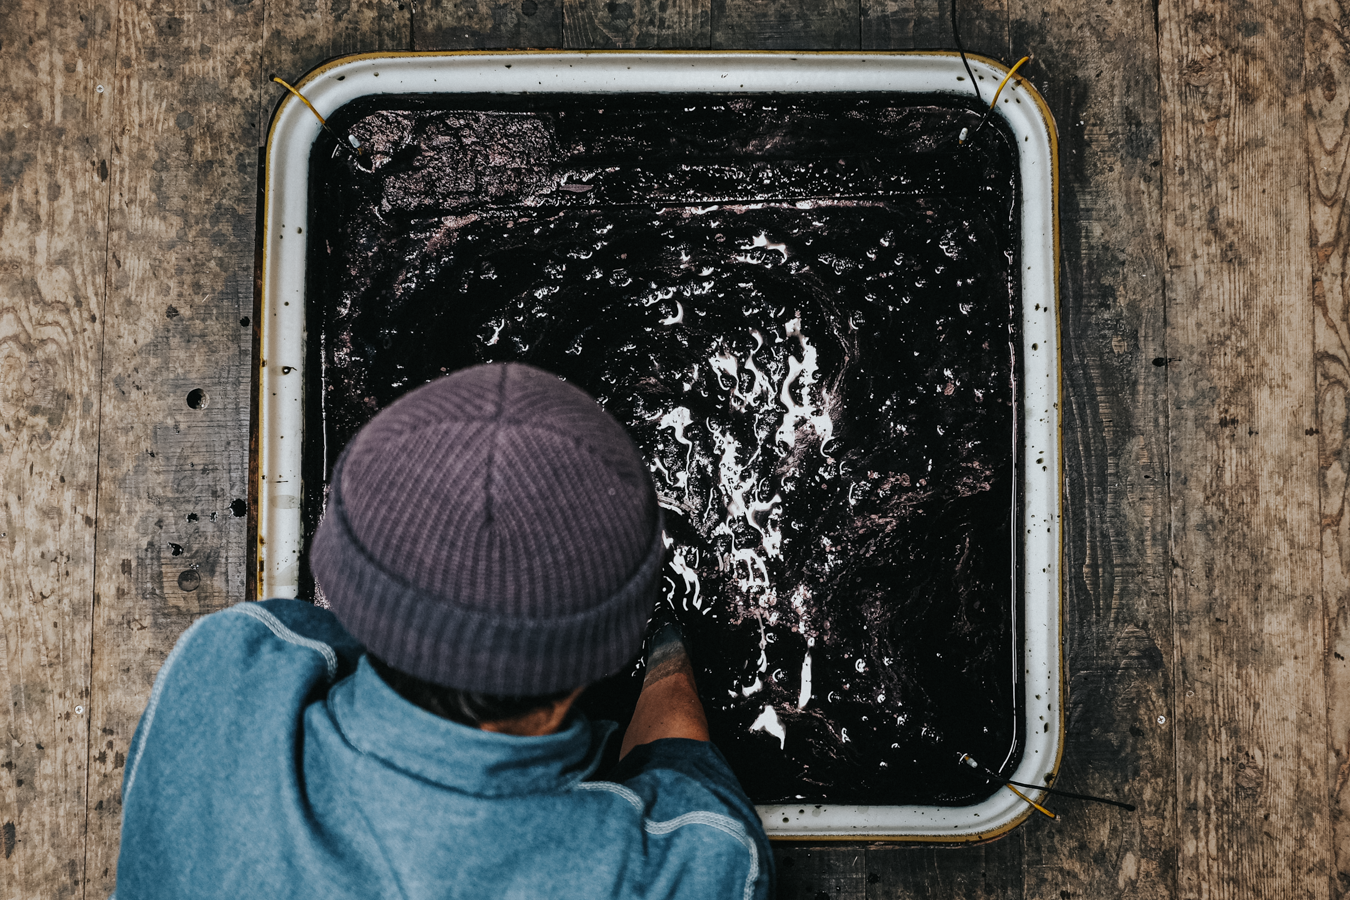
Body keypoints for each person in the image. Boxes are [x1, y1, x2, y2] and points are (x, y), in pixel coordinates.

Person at [113, 363, 773, 899]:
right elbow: (682, 770)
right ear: (590, 665)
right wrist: (666, 641)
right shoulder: (693, 865)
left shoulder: (226, 669)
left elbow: (309, 632)